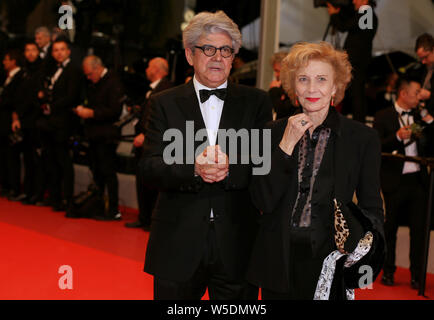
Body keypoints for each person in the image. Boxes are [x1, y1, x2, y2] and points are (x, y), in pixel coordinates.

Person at [140, 10, 272, 300]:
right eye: (208, 49)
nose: (218, 57)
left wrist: (230, 168)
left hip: (238, 243)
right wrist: (193, 169)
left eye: (226, 50)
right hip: (177, 242)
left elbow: (264, 166)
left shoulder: (257, 102)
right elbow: (150, 167)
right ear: (190, 55)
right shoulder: (163, 103)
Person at [247, 42, 385, 300]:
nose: (312, 88)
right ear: (293, 87)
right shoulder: (270, 132)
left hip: (331, 262)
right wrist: (285, 146)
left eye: (321, 79)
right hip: (278, 260)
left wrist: (362, 253)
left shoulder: (362, 138)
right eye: (303, 79)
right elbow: (261, 199)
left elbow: (372, 207)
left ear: (335, 86)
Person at [374, 76, 433, 290]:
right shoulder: (383, 116)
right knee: (390, 229)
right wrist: (397, 137)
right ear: (404, 93)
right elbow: (377, 148)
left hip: (418, 180)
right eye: (416, 93)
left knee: (419, 231)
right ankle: (388, 271)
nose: (419, 97)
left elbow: (429, 144)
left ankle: (417, 275)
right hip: (394, 181)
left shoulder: (420, 116)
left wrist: (428, 125)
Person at [125, 57, 173, 230]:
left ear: (157, 69)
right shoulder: (154, 89)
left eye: (149, 66)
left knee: (150, 183)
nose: (146, 69)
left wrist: (145, 135)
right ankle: (144, 218)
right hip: (147, 142)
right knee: (144, 181)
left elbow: (163, 117)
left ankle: (150, 219)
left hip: (153, 144)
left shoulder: (165, 89)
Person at [75, 55, 124, 220]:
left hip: (107, 135)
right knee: (97, 171)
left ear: (97, 68)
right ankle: (99, 205)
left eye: (90, 74)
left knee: (108, 172)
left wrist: (92, 113)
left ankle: (113, 209)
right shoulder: (93, 84)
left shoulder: (113, 82)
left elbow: (115, 110)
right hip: (94, 134)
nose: (89, 77)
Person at [36, 38, 82, 212]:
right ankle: (54, 197)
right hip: (49, 122)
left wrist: (51, 105)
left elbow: (71, 96)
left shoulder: (74, 71)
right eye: (55, 50)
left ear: (68, 51)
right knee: (51, 159)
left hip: (64, 123)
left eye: (62, 49)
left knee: (64, 161)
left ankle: (67, 198)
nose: (59, 53)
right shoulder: (52, 69)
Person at [327, 0, 378, 123]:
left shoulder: (367, 13)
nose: (353, 1)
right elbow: (352, 26)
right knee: (354, 94)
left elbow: (345, 26)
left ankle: (359, 123)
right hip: (357, 61)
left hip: (358, 62)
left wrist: (334, 14)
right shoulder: (365, 14)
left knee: (357, 94)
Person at [12, 42, 46, 205]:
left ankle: (37, 193)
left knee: (36, 159)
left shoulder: (42, 71)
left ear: (38, 52)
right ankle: (28, 191)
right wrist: (16, 116)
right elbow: (18, 96)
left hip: (36, 121)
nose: (30, 53)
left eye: (33, 50)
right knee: (27, 157)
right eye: (27, 50)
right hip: (23, 120)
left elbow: (37, 97)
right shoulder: (24, 72)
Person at [0, 50, 24, 199]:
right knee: (4, 155)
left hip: (11, 121)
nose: (4, 62)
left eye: (6, 60)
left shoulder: (20, 77)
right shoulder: (7, 77)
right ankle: (6, 185)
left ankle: (14, 187)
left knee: (12, 155)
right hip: (3, 121)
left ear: (13, 61)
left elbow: (15, 99)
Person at [268, 51, 299, 120]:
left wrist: (274, 90)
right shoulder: (281, 87)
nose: (276, 75)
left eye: (277, 71)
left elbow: (281, 111)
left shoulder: (295, 88)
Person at [414, 33, 434, 116]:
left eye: (425, 57)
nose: (423, 61)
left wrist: (430, 95)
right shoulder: (422, 69)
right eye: (421, 58)